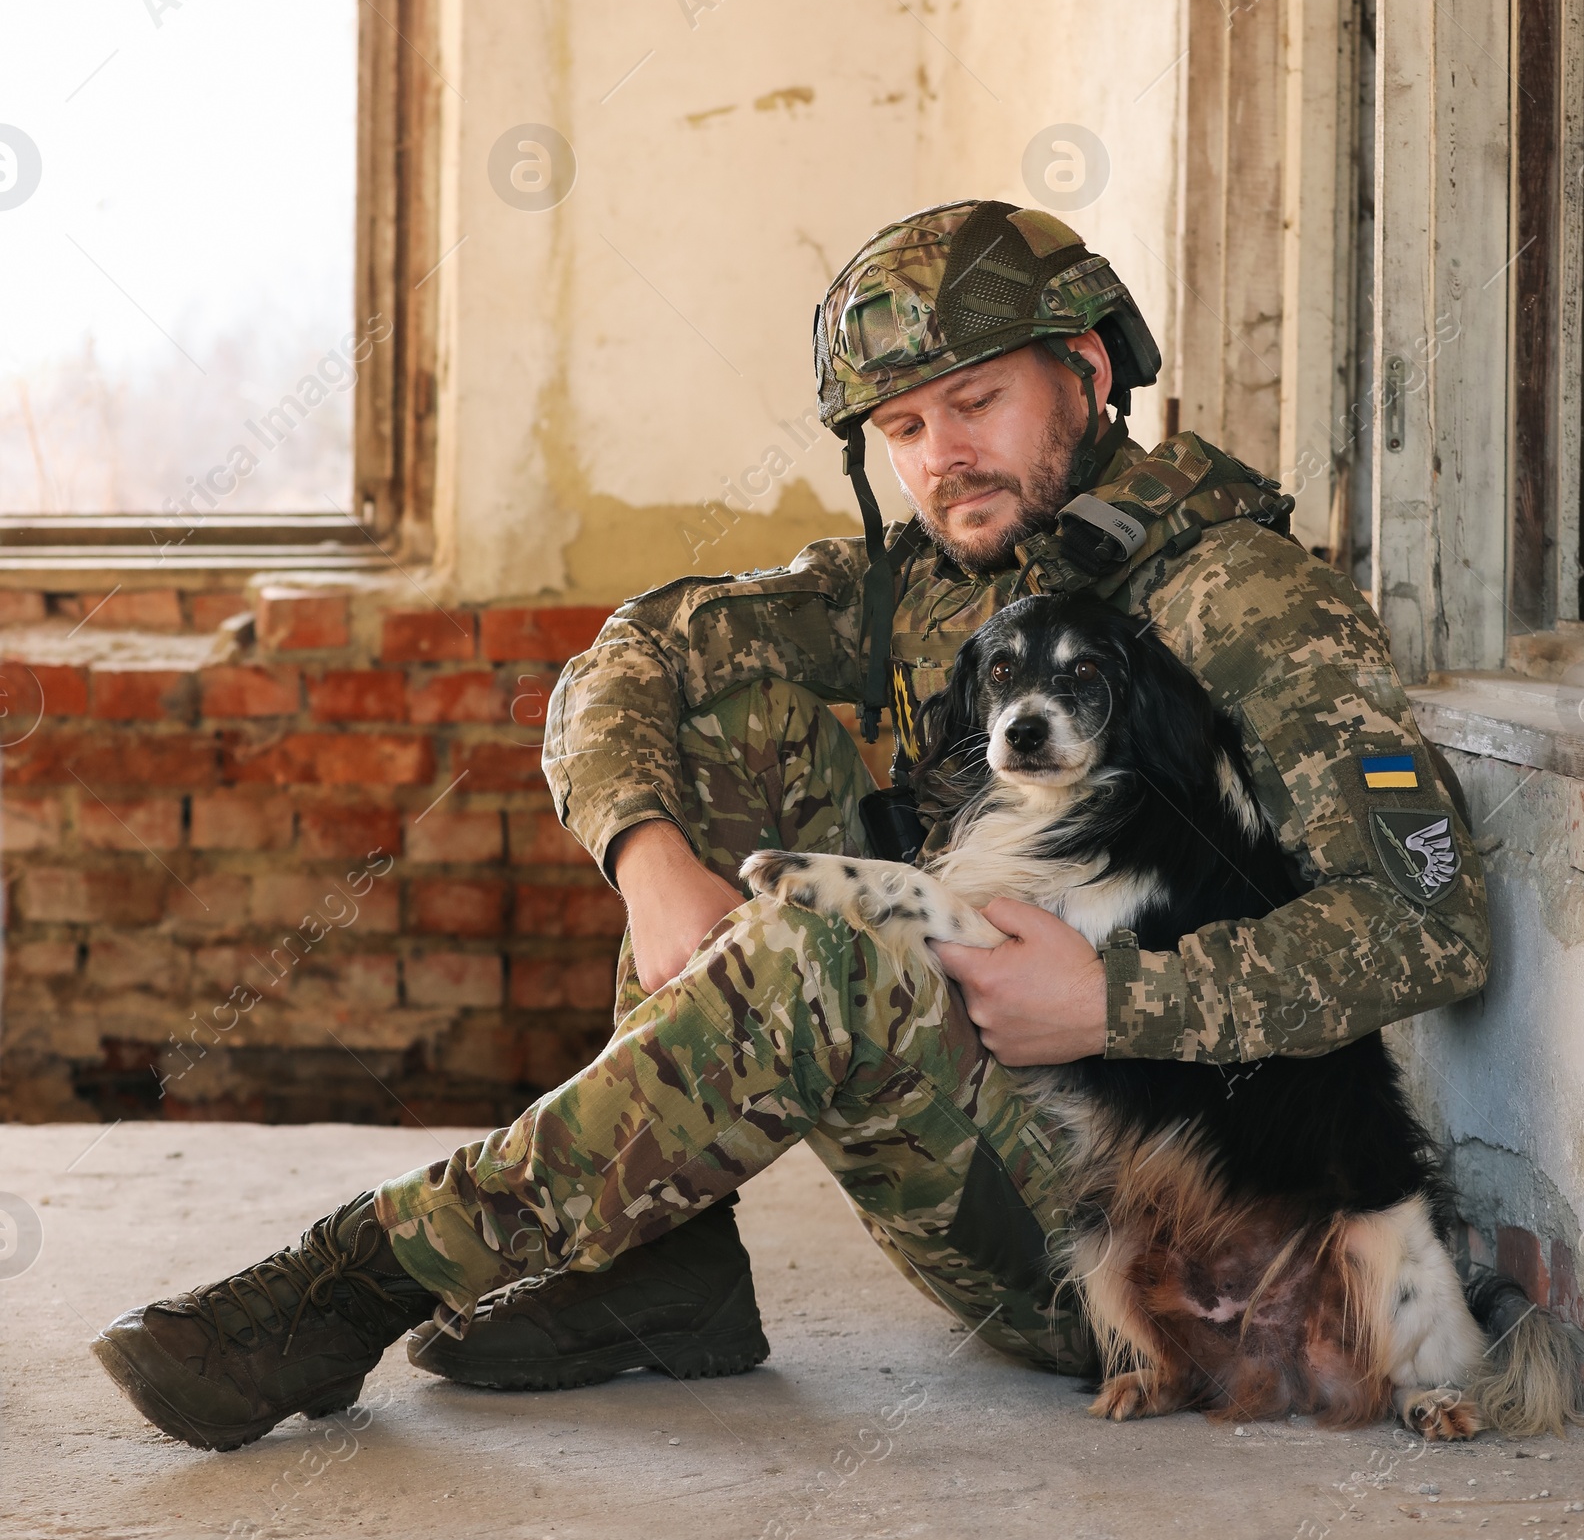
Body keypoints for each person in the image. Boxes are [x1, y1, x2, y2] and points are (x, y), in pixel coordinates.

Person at [92, 200, 1488, 1451]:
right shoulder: (926, 588)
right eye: (901, 431)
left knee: (827, 949)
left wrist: (1119, 999)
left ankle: (351, 1285)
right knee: (719, 725)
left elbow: (1429, 929)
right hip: (1026, 1123)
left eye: (977, 402)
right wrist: (651, 862)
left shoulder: (1245, 602)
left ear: (1091, 374)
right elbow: (633, 656)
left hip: (1174, 1244)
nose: (943, 458)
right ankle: (662, 1274)